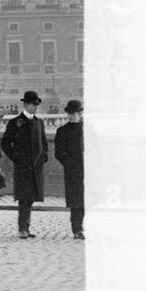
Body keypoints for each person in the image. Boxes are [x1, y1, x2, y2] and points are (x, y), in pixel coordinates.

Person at [1, 90, 48, 239]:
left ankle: (26, 227)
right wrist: (16, 158)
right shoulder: (15, 122)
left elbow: (44, 142)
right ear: (26, 105)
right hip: (23, 167)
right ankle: (22, 229)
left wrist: (44, 156)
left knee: (31, 198)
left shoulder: (39, 122)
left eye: (36, 105)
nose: (35, 107)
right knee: (24, 199)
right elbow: (5, 143)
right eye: (33, 105)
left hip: (36, 167)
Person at [53, 99, 84, 240]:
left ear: (80, 113)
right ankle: (77, 229)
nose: (72, 116)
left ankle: (82, 226)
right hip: (72, 172)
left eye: (75, 113)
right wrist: (70, 164)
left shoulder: (88, 129)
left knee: (86, 201)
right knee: (75, 202)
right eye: (70, 113)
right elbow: (59, 152)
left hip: (87, 171)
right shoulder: (62, 131)